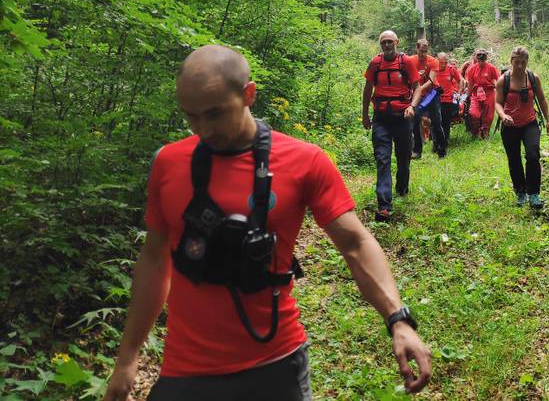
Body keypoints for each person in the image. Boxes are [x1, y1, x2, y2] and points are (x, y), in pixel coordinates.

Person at [104, 45, 431, 401]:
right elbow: (154, 259)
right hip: (186, 370)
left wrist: (398, 319)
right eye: (191, 117)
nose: (202, 129)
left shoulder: (303, 161)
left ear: (249, 95)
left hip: (276, 364)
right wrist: (127, 357)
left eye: (214, 114)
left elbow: (355, 243)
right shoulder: (169, 163)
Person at [362, 31, 422, 221]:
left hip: (403, 117)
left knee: (403, 159)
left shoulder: (406, 62)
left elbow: (417, 88)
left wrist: (412, 106)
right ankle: (384, 206)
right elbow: (367, 89)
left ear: (397, 42)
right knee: (383, 160)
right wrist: (365, 115)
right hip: (381, 119)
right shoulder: (375, 64)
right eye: (383, 42)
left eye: (390, 42)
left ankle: (402, 187)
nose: (387, 45)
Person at [494, 46, 549, 209]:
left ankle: (533, 194)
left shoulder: (533, 78)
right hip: (510, 125)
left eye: (523, 62)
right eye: (516, 62)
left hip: (530, 123)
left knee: (533, 155)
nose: (519, 66)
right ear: (511, 61)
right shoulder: (503, 80)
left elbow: (542, 99)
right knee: (514, 159)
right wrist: (503, 116)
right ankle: (520, 192)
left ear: (527, 62)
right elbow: (498, 103)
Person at [405, 39, 446, 159]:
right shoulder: (410, 61)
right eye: (421, 51)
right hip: (418, 96)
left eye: (425, 51)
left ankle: (441, 150)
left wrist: (418, 90)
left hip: (432, 94)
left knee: (436, 122)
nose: (423, 54)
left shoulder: (433, 61)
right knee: (414, 120)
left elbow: (431, 80)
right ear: (416, 49)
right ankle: (417, 150)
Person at [464, 49, 500, 139]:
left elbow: (497, 80)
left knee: (488, 115)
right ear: (476, 58)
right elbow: (471, 83)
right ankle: (476, 132)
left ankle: (485, 133)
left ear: (486, 58)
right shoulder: (472, 69)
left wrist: (500, 92)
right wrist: (468, 96)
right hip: (476, 93)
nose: (481, 61)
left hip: (489, 92)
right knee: (474, 113)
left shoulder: (491, 68)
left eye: (483, 57)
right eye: (479, 57)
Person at [435, 52, 463, 149]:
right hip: (435, 100)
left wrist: (459, 93)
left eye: (445, 62)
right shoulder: (432, 69)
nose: (443, 65)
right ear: (436, 60)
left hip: (447, 100)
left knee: (446, 123)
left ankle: (445, 143)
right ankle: (436, 144)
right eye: (441, 62)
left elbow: (460, 81)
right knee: (436, 122)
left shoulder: (451, 69)